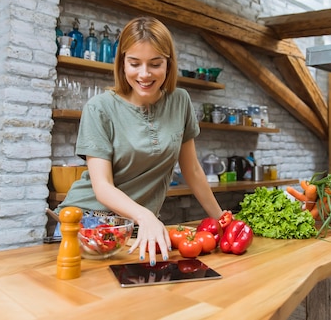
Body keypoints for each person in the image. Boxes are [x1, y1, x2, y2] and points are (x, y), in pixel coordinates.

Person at [57, 16, 227, 265]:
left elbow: (192, 170)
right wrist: (145, 216)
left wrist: (221, 219)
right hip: (87, 222)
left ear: (168, 64)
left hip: (137, 227)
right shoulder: (99, 108)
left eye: (155, 64)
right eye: (134, 63)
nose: (144, 74)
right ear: (122, 63)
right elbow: (102, 186)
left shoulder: (180, 102)